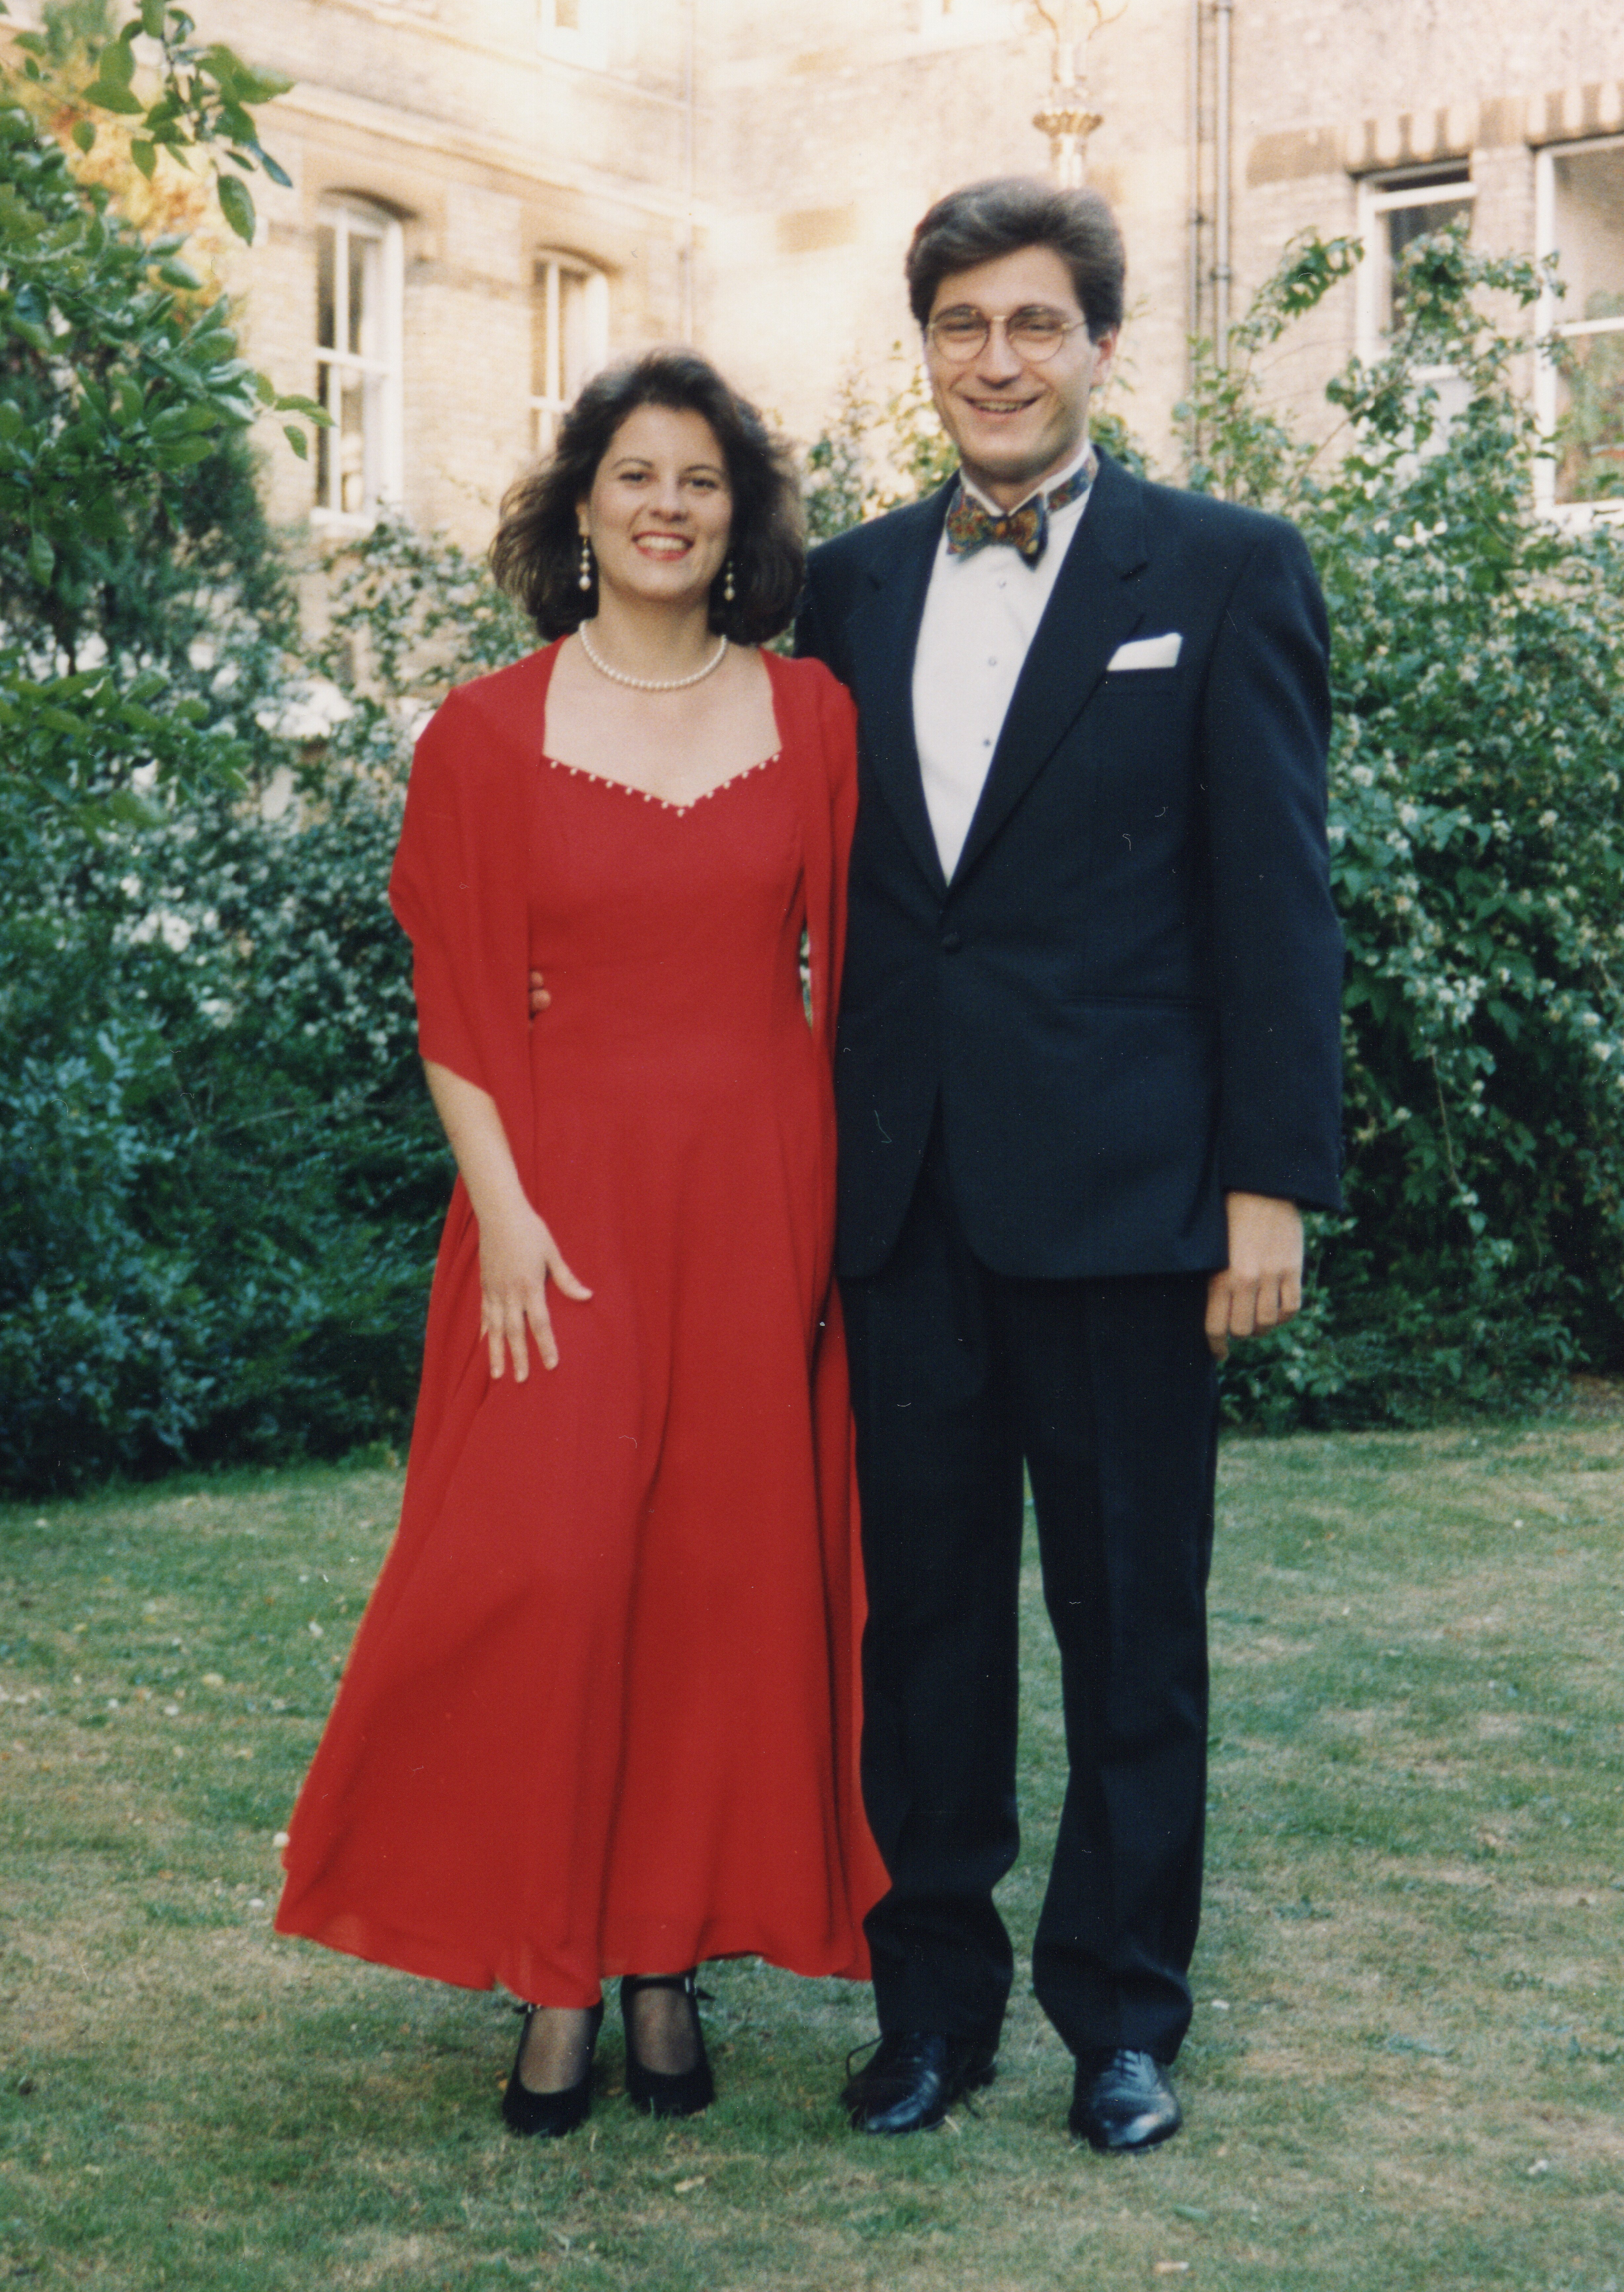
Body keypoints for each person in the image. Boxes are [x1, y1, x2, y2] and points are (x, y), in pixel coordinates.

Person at [275, 348, 884, 2140]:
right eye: (636, 475)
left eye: (701, 480)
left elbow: (842, 985)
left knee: (713, 1585)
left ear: (740, 514)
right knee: (547, 1577)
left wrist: (830, 1230)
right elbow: (458, 1004)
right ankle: (551, 1969)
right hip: (555, 1214)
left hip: (759, 1203)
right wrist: (508, 1216)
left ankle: (666, 1961)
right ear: (581, 503)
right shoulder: (484, 731)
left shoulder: (819, 718)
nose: (668, 507)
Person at [794, 177, 1344, 2151]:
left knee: (1133, 1622)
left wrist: (1267, 1184)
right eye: (962, 327)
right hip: (910, 1203)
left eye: (1036, 325)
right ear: (925, 348)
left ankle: (1123, 2014)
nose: (997, 362)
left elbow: (1276, 901)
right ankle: (928, 2013)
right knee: (922, 1624)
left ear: (1102, 344)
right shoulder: (845, 590)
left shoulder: (1225, 568)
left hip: (1131, 1203)